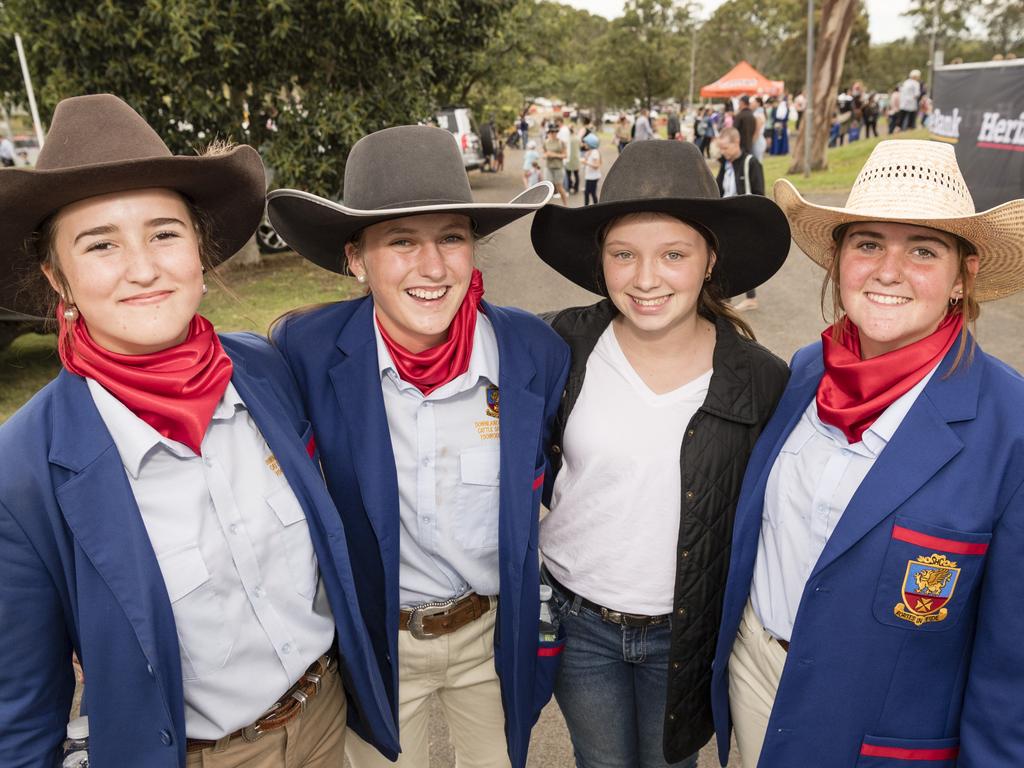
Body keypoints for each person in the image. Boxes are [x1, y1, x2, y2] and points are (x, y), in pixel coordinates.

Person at [0, 94, 398, 767]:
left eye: (164, 233)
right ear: (57, 278)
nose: (143, 268)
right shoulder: (25, 469)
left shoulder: (265, 370)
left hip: (326, 719)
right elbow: (23, 710)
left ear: (198, 249)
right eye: (100, 245)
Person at [710, 139, 1024, 767]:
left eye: (924, 251)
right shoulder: (805, 371)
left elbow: (1011, 667)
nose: (888, 270)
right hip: (756, 681)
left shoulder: (1010, 424)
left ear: (964, 277)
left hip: (878, 738)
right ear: (838, 260)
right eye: (869, 243)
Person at [266, 125, 570, 768]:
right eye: (401, 242)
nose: (432, 268)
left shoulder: (530, 352)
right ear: (356, 258)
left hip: (488, 633)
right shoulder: (307, 352)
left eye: (451, 238)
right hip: (380, 643)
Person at [530, 140, 791, 768]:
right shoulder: (559, 346)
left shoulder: (759, 380)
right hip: (578, 619)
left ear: (709, 261)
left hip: (685, 630)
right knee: (600, 759)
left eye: (673, 254)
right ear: (602, 261)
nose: (646, 280)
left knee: (672, 761)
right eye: (625, 254)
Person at [715, 127, 765, 312]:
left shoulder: (751, 163)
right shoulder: (725, 164)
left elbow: (759, 194)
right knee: (725, 256)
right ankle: (725, 297)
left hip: (743, 219)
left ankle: (748, 298)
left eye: (726, 148)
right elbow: (719, 189)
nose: (723, 152)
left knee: (740, 258)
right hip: (726, 218)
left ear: (736, 143)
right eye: (721, 148)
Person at [544, 124, 570, 205]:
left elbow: (565, 155)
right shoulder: (546, 142)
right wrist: (546, 155)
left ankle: (566, 205)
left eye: (554, 131)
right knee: (547, 188)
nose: (552, 133)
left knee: (559, 187)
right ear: (549, 132)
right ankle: (545, 207)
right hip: (548, 167)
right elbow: (544, 154)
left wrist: (554, 155)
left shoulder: (561, 142)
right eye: (551, 131)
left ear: (557, 132)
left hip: (558, 167)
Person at [581, 132, 601, 206]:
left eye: (585, 143)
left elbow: (597, 165)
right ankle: (590, 207)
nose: (584, 144)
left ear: (590, 144)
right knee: (589, 193)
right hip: (589, 177)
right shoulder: (590, 151)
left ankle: (589, 207)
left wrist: (586, 162)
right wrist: (586, 157)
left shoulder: (595, 152)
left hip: (593, 177)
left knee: (590, 193)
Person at [565, 122, 581, 195]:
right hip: (576, 159)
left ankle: (569, 187)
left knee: (568, 175)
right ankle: (576, 188)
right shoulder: (577, 138)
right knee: (576, 175)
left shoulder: (567, 139)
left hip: (568, 160)